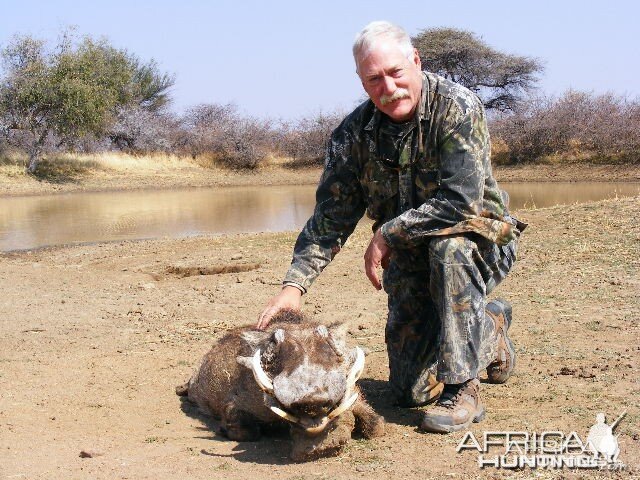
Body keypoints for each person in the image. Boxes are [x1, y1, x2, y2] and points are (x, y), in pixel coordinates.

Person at [256, 21, 525, 433]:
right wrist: (291, 290)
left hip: (481, 245)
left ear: (416, 61)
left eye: (396, 72)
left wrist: (386, 234)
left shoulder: (458, 107)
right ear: (362, 82)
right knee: (409, 393)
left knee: (448, 249)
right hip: (410, 261)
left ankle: (463, 389)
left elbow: (460, 202)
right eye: (374, 78)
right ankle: (489, 326)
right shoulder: (351, 136)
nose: (389, 87)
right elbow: (330, 220)